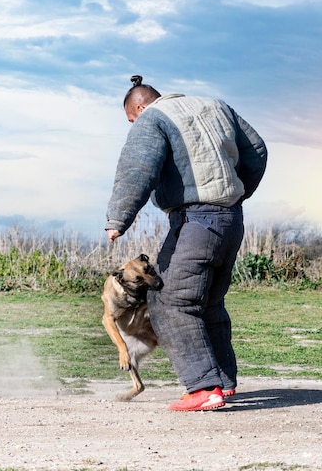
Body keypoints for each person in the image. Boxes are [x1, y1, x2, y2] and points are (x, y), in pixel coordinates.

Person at [105, 75, 267, 411]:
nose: (133, 126)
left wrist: (118, 219)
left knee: (169, 300)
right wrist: (235, 191)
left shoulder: (153, 119)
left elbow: (137, 167)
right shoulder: (216, 106)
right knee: (208, 301)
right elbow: (256, 150)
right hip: (231, 218)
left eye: (131, 120)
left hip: (196, 220)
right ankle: (222, 382)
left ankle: (203, 388)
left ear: (140, 106)